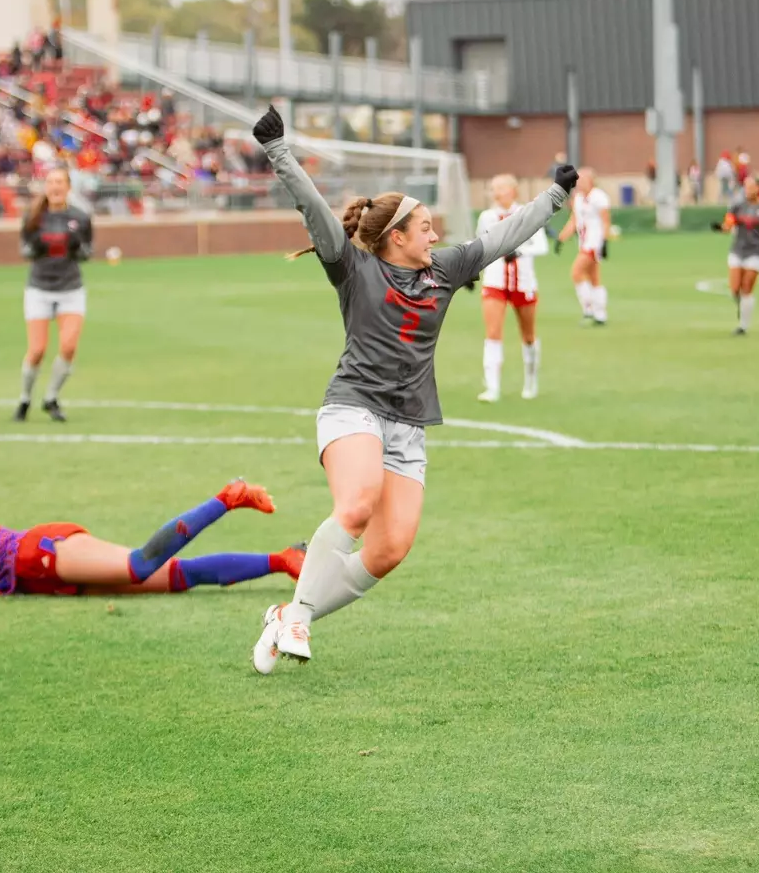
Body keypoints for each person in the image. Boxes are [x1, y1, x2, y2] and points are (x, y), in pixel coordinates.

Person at [244, 105, 573, 672]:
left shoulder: (444, 271)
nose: (436, 234)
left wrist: (554, 198)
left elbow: (503, 235)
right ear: (397, 236)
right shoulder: (351, 266)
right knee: (357, 502)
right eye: (426, 227)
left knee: (390, 549)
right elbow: (314, 209)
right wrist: (278, 149)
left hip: (408, 423)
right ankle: (298, 617)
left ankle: (288, 613)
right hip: (352, 407)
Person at [0, 480, 304, 598]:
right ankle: (284, 560)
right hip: (45, 568)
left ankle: (228, 497)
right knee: (178, 577)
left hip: (42, 554)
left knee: (140, 564)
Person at [16, 167, 92, 422]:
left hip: (70, 288)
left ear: (68, 187)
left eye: (60, 182)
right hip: (39, 288)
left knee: (69, 346)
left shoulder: (80, 217)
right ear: (45, 187)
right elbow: (25, 250)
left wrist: (76, 245)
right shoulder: (34, 216)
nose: (55, 186)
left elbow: (87, 253)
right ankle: (25, 398)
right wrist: (35, 247)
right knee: (37, 350)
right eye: (51, 182)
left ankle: (51, 397)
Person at [475, 174, 548, 402]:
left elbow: (541, 246)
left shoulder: (528, 213)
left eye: (501, 188)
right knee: (493, 333)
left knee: (528, 335)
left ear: (513, 191)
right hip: (495, 280)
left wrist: (519, 251)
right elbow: (481, 244)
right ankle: (493, 388)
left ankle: (531, 380)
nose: (496, 193)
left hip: (523, 281)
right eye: (493, 188)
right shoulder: (487, 217)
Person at [710, 177, 759, 335]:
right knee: (734, 288)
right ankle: (743, 306)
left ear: (758, 189)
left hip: (755, 251)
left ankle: (743, 326)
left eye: (751, 187)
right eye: (746, 187)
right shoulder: (737, 206)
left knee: (747, 287)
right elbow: (728, 224)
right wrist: (721, 228)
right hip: (737, 250)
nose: (748, 190)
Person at [560, 166, 611, 325]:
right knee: (594, 278)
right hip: (583, 242)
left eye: (582, 179)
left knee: (576, 272)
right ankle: (600, 315)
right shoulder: (578, 198)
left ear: (591, 180)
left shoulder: (599, 197)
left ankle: (588, 310)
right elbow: (574, 220)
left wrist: (605, 242)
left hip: (594, 243)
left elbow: (605, 221)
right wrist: (561, 238)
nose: (579, 182)